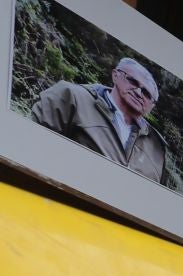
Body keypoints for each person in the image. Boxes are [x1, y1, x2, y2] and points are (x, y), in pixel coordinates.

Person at [29, 56, 168, 184]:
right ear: (115, 75)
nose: (138, 93)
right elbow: (33, 147)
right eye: (132, 81)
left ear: (152, 105)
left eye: (146, 93)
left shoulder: (157, 146)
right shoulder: (72, 96)